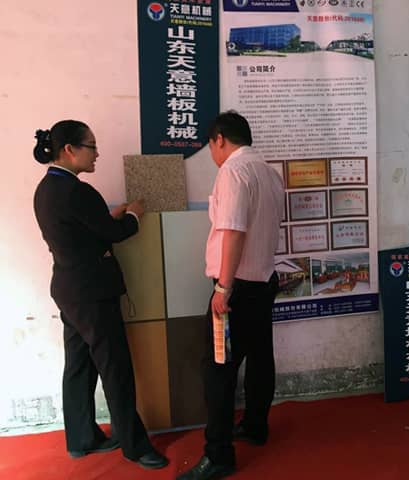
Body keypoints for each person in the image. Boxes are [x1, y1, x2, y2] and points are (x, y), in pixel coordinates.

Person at [32, 120, 168, 469]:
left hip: (68, 289)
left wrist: (108, 218)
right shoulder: (78, 191)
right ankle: (136, 447)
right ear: (69, 150)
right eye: (91, 146)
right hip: (92, 293)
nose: (96, 154)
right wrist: (133, 215)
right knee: (114, 367)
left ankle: (81, 439)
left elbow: (80, 231)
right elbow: (115, 233)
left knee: (78, 365)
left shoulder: (46, 189)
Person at [178, 111, 284, 480]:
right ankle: (255, 425)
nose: (212, 154)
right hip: (263, 282)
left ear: (219, 139)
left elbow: (234, 231)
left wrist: (223, 287)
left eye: (211, 146)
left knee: (217, 370)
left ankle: (219, 455)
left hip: (236, 289)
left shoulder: (233, 171)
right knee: (259, 358)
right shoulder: (269, 172)